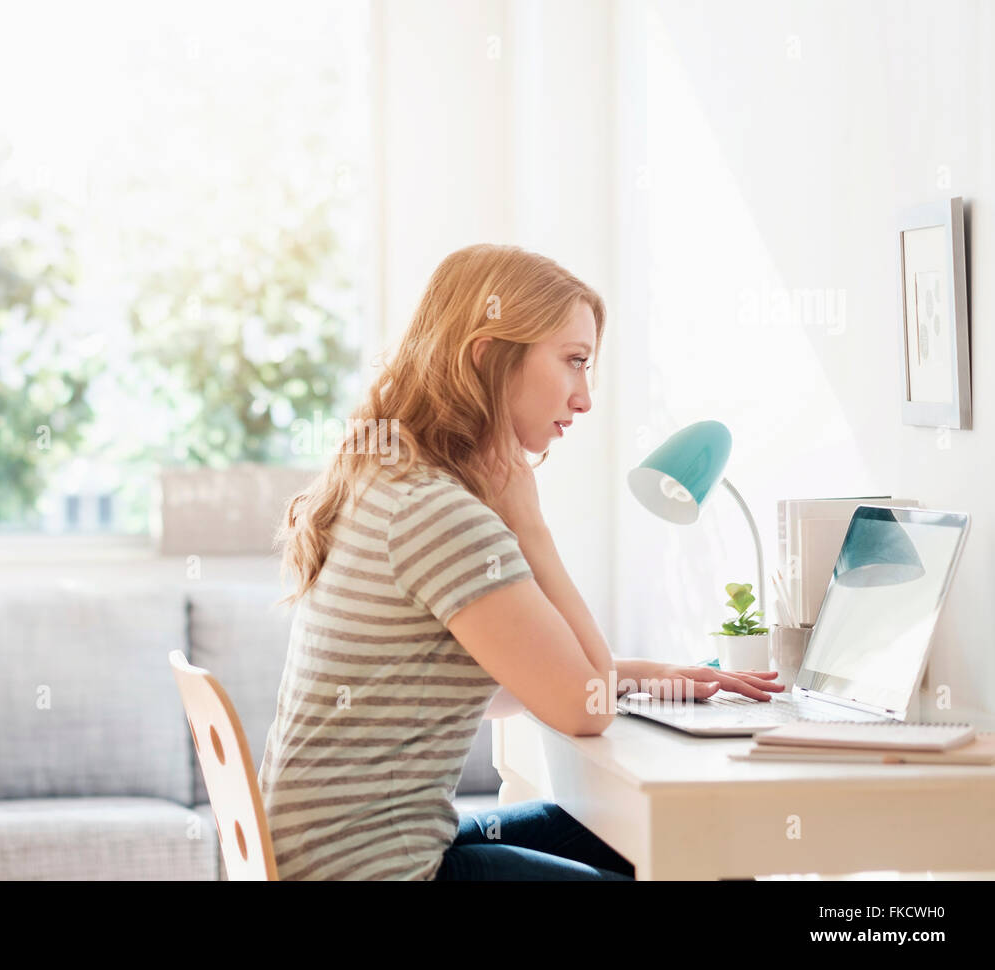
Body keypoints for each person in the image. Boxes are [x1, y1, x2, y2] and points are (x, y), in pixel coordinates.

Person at [257, 243, 782, 880]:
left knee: (682, 834)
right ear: (489, 357)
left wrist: (646, 675)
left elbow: (496, 687)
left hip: (341, 857)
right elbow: (585, 710)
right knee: (701, 854)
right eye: (573, 362)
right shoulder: (436, 513)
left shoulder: (386, 480)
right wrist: (528, 522)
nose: (585, 397)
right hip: (379, 870)